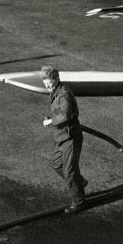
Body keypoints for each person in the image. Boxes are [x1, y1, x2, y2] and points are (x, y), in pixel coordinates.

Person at [40, 65, 87, 213]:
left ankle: (78, 201)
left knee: (69, 171)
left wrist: (51, 121)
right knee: (56, 163)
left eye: (50, 80)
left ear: (57, 79)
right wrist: (53, 119)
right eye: (45, 81)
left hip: (70, 138)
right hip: (62, 137)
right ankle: (79, 182)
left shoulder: (63, 94)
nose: (48, 84)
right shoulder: (55, 91)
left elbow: (66, 115)